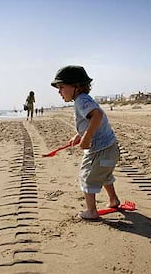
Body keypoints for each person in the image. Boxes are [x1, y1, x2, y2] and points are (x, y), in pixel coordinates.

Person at [50, 65, 120, 220]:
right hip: (111, 148)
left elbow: (97, 115)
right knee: (104, 174)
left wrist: (87, 137)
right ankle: (113, 200)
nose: (59, 91)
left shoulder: (81, 100)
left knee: (86, 176)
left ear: (76, 86)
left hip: (99, 149)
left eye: (61, 87)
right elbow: (91, 121)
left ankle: (91, 211)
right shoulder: (83, 99)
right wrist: (79, 135)